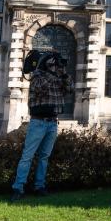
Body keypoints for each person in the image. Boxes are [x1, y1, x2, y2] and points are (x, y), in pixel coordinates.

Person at [10, 52, 74, 201]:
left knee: (44, 157)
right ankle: (18, 188)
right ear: (46, 64)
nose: (56, 67)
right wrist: (50, 71)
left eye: (56, 64)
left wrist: (63, 73)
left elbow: (70, 89)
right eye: (53, 64)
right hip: (38, 122)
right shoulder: (37, 76)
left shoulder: (58, 77)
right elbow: (41, 88)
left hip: (52, 123)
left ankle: (39, 186)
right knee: (27, 156)